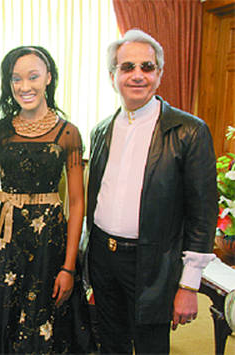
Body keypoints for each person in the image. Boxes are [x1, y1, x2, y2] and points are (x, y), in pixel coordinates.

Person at [86, 29, 217, 354]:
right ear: (112, 75)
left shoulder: (190, 131)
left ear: (159, 74)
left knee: (150, 347)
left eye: (147, 67)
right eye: (127, 67)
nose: (137, 75)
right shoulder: (101, 129)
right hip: (103, 256)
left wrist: (188, 284)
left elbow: (203, 214)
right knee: (109, 343)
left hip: (152, 263)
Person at [0, 46, 85, 354]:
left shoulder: (68, 133)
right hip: (9, 244)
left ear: (48, 78)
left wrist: (70, 267)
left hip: (51, 245)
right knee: (6, 328)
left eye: (33, 77)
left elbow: (76, 203)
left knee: (48, 328)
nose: (24, 86)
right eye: (16, 79)